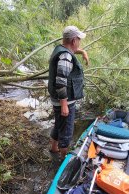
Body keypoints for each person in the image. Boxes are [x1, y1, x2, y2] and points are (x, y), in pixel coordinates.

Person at [48, 26, 89, 160]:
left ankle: (54, 148)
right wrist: (64, 104)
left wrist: (82, 52)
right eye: (79, 40)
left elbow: (70, 52)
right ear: (73, 41)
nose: (79, 42)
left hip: (57, 99)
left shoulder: (61, 49)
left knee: (59, 123)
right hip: (65, 101)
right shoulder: (66, 56)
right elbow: (60, 81)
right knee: (66, 131)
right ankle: (63, 160)